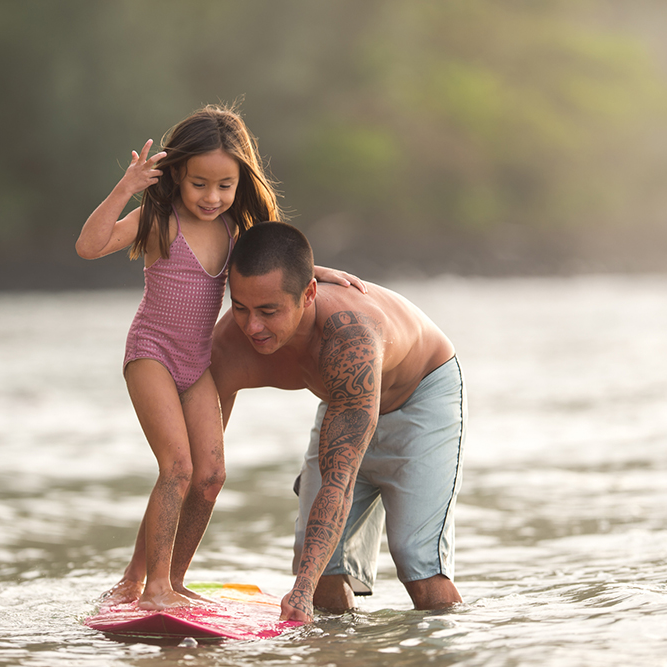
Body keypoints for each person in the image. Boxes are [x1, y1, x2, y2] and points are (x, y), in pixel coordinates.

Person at [75, 106, 360, 610]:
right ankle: (151, 586)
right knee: (177, 467)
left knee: (209, 477)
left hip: (197, 364)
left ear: (239, 183)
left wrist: (323, 274)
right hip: (153, 355)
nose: (212, 197)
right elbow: (89, 245)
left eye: (224, 185)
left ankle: (174, 580)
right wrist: (128, 188)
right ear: (178, 177)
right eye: (199, 184)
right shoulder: (160, 220)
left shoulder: (235, 232)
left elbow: (281, 262)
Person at [211, 222, 466, 622]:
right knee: (319, 567)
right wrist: (158, 579)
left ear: (308, 293)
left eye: (268, 311)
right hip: (346, 401)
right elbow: (198, 470)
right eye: (240, 308)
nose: (252, 327)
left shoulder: (349, 343)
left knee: (417, 563)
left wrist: (299, 592)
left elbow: (338, 481)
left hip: (420, 397)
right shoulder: (230, 343)